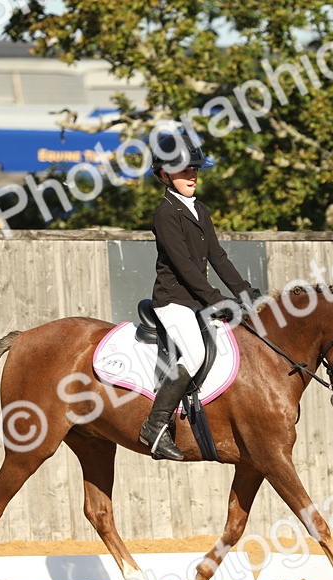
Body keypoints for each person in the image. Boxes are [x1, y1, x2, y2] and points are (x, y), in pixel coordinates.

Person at [138, 131, 261, 461]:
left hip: (196, 302)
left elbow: (217, 257)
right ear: (165, 174)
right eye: (183, 170)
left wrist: (244, 293)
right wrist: (218, 300)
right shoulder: (165, 214)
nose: (191, 176)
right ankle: (155, 425)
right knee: (192, 354)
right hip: (173, 301)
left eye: (194, 170)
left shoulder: (199, 210)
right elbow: (187, 268)